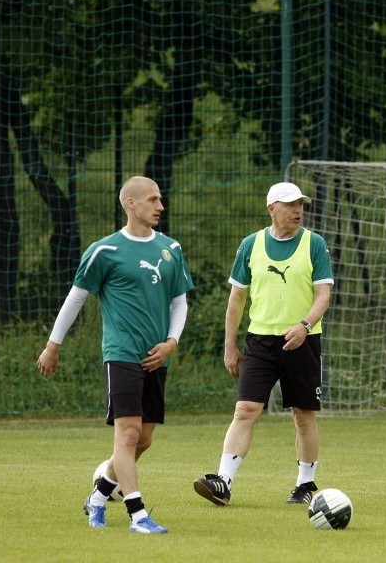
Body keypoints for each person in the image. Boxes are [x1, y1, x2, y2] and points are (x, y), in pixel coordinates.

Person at [36, 175, 194, 533]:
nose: (160, 206)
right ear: (131, 203)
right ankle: (138, 515)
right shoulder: (104, 251)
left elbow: (179, 301)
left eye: (160, 199)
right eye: (153, 200)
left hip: (158, 356)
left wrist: (171, 341)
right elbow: (76, 298)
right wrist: (53, 344)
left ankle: (97, 497)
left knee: (143, 440)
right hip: (121, 353)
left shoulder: (171, 249)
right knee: (126, 436)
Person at [193, 181, 333, 507]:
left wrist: (304, 325)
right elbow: (237, 299)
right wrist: (230, 346)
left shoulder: (314, 243)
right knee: (245, 410)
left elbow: (323, 295)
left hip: (303, 340)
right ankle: (223, 482)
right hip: (259, 341)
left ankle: (305, 484)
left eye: (300, 204)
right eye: (289, 204)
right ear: (272, 209)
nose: (297, 210)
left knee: (303, 415)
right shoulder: (251, 244)